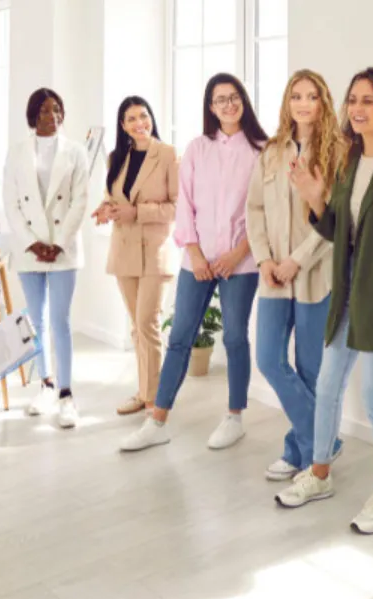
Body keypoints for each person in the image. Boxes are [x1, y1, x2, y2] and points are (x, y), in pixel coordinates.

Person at [275, 67, 373, 536]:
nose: (359, 109)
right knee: (327, 386)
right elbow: (334, 231)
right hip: (345, 292)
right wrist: (314, 198)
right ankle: (319, 472)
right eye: (353, 100)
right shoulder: (347, 161)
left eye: (369, 101)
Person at [119, 73, 268, 453]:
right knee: (180, 336)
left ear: (244, 101)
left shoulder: (262, 151)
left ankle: (234, 416)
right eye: (220, 100)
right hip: (196, 259)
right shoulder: (197, 148)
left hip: (242, 261)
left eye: (234, 97)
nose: (228, 105)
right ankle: (158, 421)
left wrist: (239, 253)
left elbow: (267, 212)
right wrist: (196, 253)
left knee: (235, 336)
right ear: (210, 106)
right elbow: (185, 205)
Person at [245, 69, 345, 481]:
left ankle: (300, 451)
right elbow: (254, 210)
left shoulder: (337, 153)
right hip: (272, 278)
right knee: (268, 359)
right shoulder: (271, 152)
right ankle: (324, 442)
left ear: (323, 102)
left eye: (312, 96)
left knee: (309, 371)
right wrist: (266, 260)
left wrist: (296, 261)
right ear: (287, 103)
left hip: (313, 277)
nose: (303, 104)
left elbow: (336, 220)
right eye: (296, 96)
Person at [4, 87, 89, 428]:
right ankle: (45, 385)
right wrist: (32, 243)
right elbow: (10, 203)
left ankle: (66, 395)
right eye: (43, 111)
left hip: (63, 250)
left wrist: (58, 242)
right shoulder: (17, 152)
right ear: (32, 116)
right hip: (30, 251)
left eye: (56, 110)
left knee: (60, 322)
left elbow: (80, 201)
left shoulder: (76, 152)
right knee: (36, 322)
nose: (51, 116)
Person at [95, 96, 179, 419]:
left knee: (148, 323)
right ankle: (145, 392)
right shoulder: (116, 157)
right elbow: (112, 196)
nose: (139, 123)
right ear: (123, 125)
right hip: (124, 250)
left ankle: (154, 400)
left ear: (151, 118)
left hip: (155, 252)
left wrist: (136, 212)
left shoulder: (168, 155)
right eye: (131, 119)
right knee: (137, 327)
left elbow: (177, 206)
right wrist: (106, 209)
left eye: (143, 116)